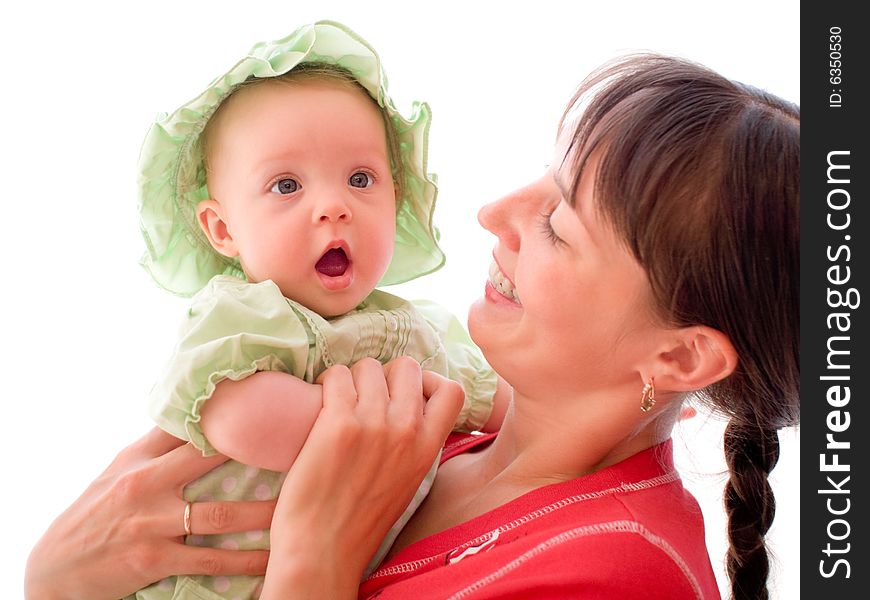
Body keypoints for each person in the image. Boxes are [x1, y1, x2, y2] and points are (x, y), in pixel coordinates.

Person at [25, 53, 799, 600]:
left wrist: (314, 560)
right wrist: (52, 581)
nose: (492, 214)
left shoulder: (621, 575)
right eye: (542, 178)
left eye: (559, 223)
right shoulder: (442, 424)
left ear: (682, 355)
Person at [134, 20, 507, 600]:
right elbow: (238, 417)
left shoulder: (418, 330)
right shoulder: (240, 315)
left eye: (360, 178)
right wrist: (386, 432)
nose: (333, 207)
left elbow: (496, 402)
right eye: (286, 185)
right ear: (223, 229)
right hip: (205, 582)